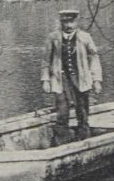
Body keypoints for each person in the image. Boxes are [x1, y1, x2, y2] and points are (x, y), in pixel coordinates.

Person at [41, 9, 102, 140]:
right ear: (61, 22)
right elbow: (46, 60)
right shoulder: (53, 38)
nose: (68, 26)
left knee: (82, 109)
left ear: (76, 22)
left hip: (81, 78)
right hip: (60, 79)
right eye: (65, 22)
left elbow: (94, 58)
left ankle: (84, 138)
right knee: (62, 110)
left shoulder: (85, 37)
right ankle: (62, 140)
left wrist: (96, 80)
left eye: (71, 22)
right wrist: (45, 80)